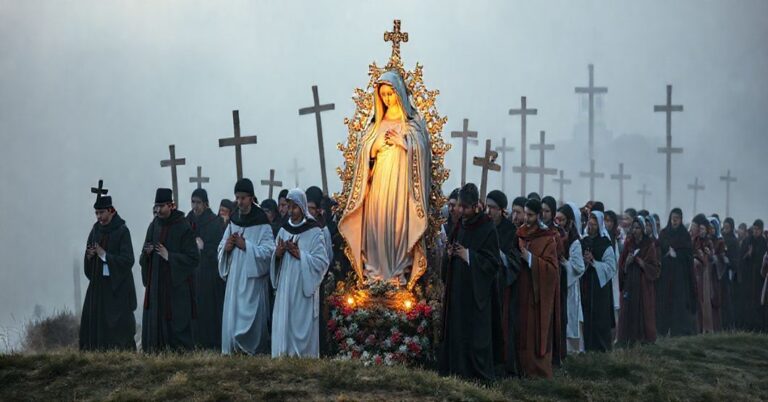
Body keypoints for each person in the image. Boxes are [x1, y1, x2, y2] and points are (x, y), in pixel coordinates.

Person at [337, 70, 430, 289]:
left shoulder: (412, 124)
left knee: (397, 225)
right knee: (377, 225)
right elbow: (363, 154)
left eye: (391, 93)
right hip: (378, 184)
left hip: (401, 187)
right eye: (384, 94)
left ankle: (396, 276)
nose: (387, 98)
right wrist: (373, 148)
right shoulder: (375, 126)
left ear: (400, 93)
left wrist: (405, 144)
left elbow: (423, 154)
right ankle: (375, 276)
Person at [439, 184, 502, 381]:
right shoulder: (460, 225)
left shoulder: (487, 228)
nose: (460, 210)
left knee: (473, 333)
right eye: (458, 206)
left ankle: (475, 373)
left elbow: (493, 263)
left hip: (476, 294)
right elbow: (451, 248)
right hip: (458, 288)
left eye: (464, 207)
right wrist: (449, 255)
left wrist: (469, 256)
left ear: (475, 206)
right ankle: (456, 369)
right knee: (457, 330)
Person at [270, 189, 330, 358]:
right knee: (285, 320)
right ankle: (283, 353)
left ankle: (303, 356)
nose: (291, 211)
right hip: (285, 286)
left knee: (300, 322)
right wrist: (278, 253)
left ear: (302, 207)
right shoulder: (284, 230)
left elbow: (322, 262)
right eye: (289, 207)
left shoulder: (314, 231)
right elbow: (275, 258)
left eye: (295, 207)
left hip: (304, 287)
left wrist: (301, 255)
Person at [218, 179, 275, 355]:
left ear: (251, 198)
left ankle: (252, 350)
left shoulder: (262, 221)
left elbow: (269, 252)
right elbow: (221, 246)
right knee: (233, 315)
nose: (239, 202)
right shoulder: (234, 219)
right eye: (237, 198)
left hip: (252, 281)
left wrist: (246, 246)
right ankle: (233, 348)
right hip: (235, 278)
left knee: (253, 319)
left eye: (243, 198)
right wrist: (226, 249)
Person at [140, 188, 199, 352]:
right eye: (156, 207)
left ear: (171, 205)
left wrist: (170, 256)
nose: (158, 210)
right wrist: (147, 253)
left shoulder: (183, 226)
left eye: (161, 206)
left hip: (175, 290)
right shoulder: (154, 226)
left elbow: (194, 258)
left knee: (177, 329)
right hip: (156, 288)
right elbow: (143, 255)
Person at [80, 194, 137, 351]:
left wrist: (104, 255)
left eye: (102, 213)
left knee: (119, 327)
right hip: (99, 287)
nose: (99, 217)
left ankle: (119, 354)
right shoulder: (95, 230)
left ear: (111, 211)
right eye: (96, 213)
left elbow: (128, 260)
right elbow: (89, 259)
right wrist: (90, 257)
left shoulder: (122, 231)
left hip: (117, 288)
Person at [516, 198, 560, 378]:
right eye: (525, 214)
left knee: (534, 329)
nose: (526, 218)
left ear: (539, 216)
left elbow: (552, 270)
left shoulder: (548, 238)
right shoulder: (519, 233)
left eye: (531, 215)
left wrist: (530, 259)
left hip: (537, 293)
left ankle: (535, 369)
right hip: (520, 290)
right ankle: (518, 366)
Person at [187, 188, 226, 350]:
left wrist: (204, 247)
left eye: (198, 203)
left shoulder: (215, 223)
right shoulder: (187, 221)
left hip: (209, 276)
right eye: (193, 202)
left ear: (206, 204)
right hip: (191, 275)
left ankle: (210, 344)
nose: (195, 206)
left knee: (208, 311)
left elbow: (220, 249)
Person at [486, 190, 520, 377]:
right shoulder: (483, 226)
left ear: (501, 210)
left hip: (502, 287)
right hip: (484, 284)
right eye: (487, 207)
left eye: (493, 208)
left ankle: (502, 365)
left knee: (502, 325)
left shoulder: (510, 231)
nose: (489, 212)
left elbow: (514, 262)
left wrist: (500, 255)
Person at [617, 216, 660, 345]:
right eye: (633, 228)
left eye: (638, 228)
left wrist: (642, 264)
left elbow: (655, 268)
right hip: (630, 283)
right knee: (628, 309)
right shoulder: (628, 243)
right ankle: (627, 338)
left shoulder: (649, 245)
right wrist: (627, 263)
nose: (635, 230)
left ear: (642, 229)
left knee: (643, 310)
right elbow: (622, 264)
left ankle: (643, 338)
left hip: (642, 285)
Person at [655, 208, 697, 336]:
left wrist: (678, 255)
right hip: (665, 276)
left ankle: (677, 332)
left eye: (677, 218)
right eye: (673, 218)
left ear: (680, 219)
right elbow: (657, 251)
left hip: (680, 277)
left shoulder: (684, 235)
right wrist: (666, 254)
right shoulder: (664, 234)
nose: (674, 221)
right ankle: (661, 330)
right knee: (664, 302)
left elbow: (689, 256)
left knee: (678, 304)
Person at [580, 211, 616, 352]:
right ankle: (587, 347)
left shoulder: (605, 244)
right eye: (590, 224)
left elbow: (611, 267)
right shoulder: (583, 240)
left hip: (600, 288)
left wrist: (594, 262)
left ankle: (601, 348)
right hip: (586, 284)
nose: (591, 227)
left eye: (594, 225)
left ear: (599, 226)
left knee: (600, 318)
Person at [555, 203, 585, 354]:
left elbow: (579, 267)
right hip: (558, 282)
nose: (559, 223)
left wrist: (566, 264)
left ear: (570, 221)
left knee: (571, 315)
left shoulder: (575, 242)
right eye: (557, 219)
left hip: (570, 285)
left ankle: (573, 349)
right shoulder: (555, 236)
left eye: (562, 220)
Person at [739, 219, 767, 331]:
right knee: (747, 302)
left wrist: (754, 254)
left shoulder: (764, 242)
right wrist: (748, 255)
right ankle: (747, 325)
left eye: (757, 229)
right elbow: (741, 258)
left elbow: (763, 259)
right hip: (748, 278)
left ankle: (758, 326)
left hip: (758, 279)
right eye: (754, 229)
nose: (755, 231)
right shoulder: (747, 241)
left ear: (761, 230)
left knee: (757, 303)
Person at [692, 214, 715, 334]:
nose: (701, 231)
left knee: (704, 299)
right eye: (699, 229)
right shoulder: (695, 240)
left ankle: (706, 327)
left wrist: (706, 255)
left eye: (703, 229)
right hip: (696, 271)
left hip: (704, 274)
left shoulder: (708, 242)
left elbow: (710, 258)